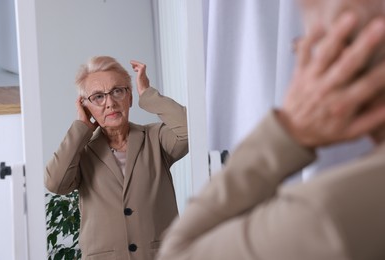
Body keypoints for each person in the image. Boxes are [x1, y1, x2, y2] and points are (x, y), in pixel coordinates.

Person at [157, 1, 385, 260]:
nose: (300, 53)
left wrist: (287, 130)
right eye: (98, 96)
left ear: (344, 56)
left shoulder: (326, 215)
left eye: (309, 44)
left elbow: (177, 254)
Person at [44, 57, 188, 260]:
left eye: (117, 91)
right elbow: (55, 183)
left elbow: (191, 130)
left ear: (129, 97)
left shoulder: (156, 138)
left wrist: (148, 94)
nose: (110, 103)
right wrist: (80, 128)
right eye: (98, 97)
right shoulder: (82, 152)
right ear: (86, 106)